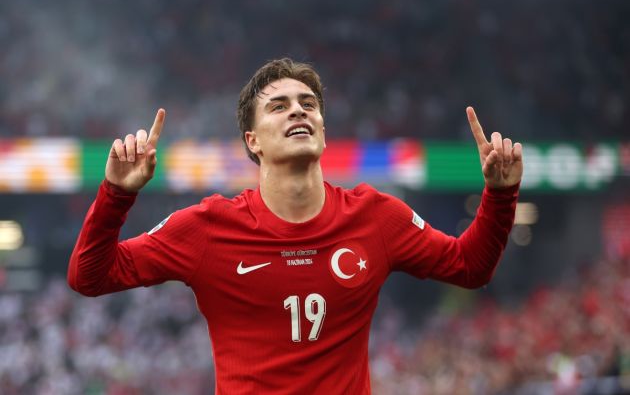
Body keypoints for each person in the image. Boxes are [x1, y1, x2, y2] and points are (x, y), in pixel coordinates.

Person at [68, 58, 523, 394]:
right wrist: (116, 193)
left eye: (309, 104)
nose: (298, 112)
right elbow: (89, 276)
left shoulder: (376, 216)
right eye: (279, 106)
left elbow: (470, 267)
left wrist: (500, 195)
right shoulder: (207, 228)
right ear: (253, 141)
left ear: (323, 128)